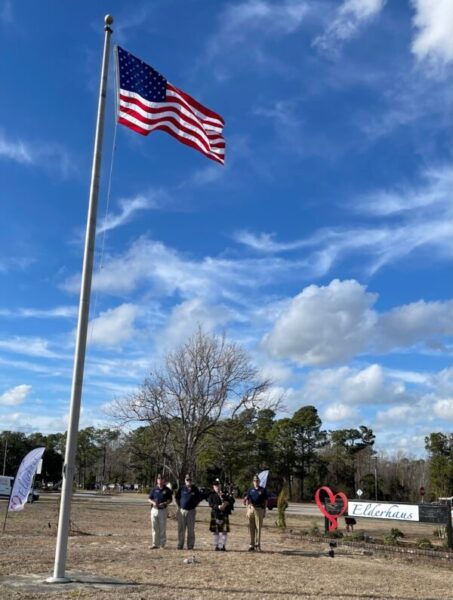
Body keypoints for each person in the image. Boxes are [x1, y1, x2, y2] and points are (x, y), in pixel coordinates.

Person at [175, 474, 203, 550]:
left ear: (191, 481)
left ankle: (190, 545)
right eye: (187, 480)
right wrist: (178, 507)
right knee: (181, 529)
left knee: (191, 529)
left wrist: (194, 506)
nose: (189, 481)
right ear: (185, 481)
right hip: (182, 511)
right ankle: (180, 545)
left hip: (191, 511)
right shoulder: (181, 489)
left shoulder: (195, 489)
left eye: (190, 480)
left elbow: (199, 499)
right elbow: (177, 498)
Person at [207, 478, 234, 551]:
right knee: (216, 531)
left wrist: (225, 504)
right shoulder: (211, 495)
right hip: (215, 514)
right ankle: (217, 546)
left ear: (220, 486)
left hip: (224, 514)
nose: (217, 487)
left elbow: (231, 501)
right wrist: (218, 507)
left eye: (218, 485)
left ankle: (223, 546)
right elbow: (210, 504)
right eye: (216, 486)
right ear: (213, 486)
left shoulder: (225, 493)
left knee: (224, 531)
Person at [148, 474, 173, 549]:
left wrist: (165, 503)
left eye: (162, 479)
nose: (160, 480)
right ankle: (155, 544)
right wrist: (153, 502)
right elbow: (149, 499)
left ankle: (162, 544)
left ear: (164, 480)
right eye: (159, 479)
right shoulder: (154, 489)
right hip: (154, 510)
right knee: (154, 527)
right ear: (157, 480)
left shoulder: (167, 490)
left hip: (163, 510)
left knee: (162, 528)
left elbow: (170, 500)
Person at [245, 474, 269, 551]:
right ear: (253, 482)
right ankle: (251, 544)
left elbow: (266, 501)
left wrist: (264, 510)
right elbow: (247, 500)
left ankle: (257, 545)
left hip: (259, 509)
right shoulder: (250, 490)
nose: (256, 482)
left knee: (258, 528)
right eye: (255, 481)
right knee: (251, 528)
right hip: (251, 509)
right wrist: (247, 510)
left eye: (257, 481)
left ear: (259, 482)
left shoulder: (263, 490)